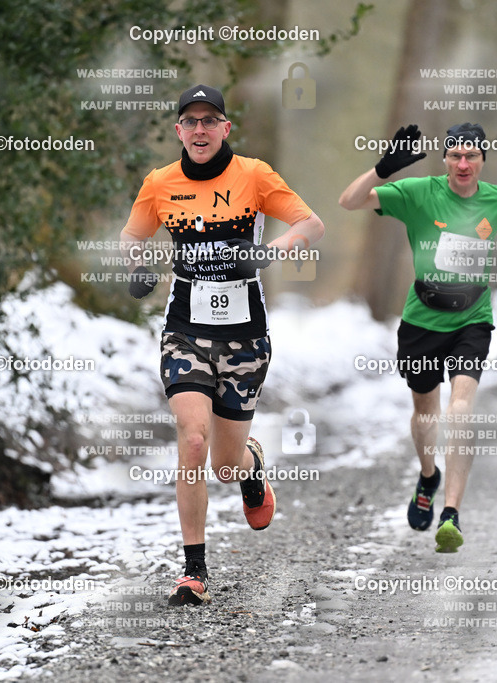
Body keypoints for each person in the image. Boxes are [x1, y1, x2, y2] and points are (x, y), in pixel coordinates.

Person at [120, 85, 325, 605]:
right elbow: (131, 236)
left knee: (224, 465)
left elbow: (311, 224)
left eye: (210, 120)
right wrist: (137, 267)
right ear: (178, 131)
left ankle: (249, 468)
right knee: (192, 440)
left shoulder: (254, 175)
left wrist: (267, 253)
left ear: (225, 128)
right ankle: (194, 571)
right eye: (190, 121)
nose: (200, 130)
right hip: (185, 332)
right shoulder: (160, 183)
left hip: (244, 337)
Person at [339, 122, 497, 553]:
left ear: (483, 160)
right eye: (455, 156)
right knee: (427, 418)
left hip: (472, 319)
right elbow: (349, 201)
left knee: (460, 411)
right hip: (422, 319)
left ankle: (451, 513)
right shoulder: (420, 192)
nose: (463, 164)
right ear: (445, 159)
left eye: (472, 156)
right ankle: (428, 476)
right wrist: (382, 169)